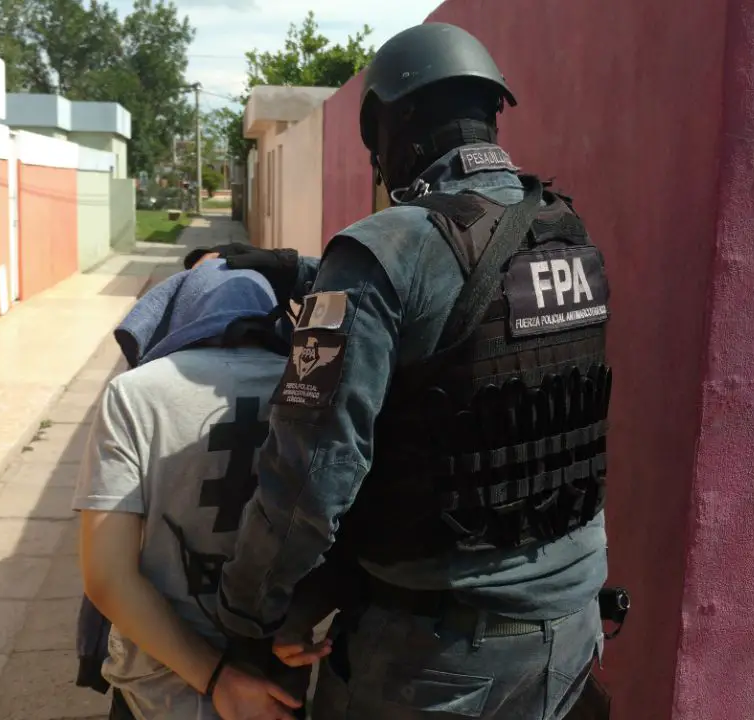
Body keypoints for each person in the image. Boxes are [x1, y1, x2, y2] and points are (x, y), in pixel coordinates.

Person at [191, 21, 613, 720]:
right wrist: (303, 271)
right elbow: (454, 304)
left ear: (394, 125)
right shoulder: (563, 232)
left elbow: (309, 479)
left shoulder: (380, 248)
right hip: (572, 631)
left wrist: (247, 619)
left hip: (441, 658)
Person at [74, 258, 330, 720]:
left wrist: (217, 678)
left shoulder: (134, 394)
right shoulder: (311, 391)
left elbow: (107, 577)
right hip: (274, 688)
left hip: (154, 691)